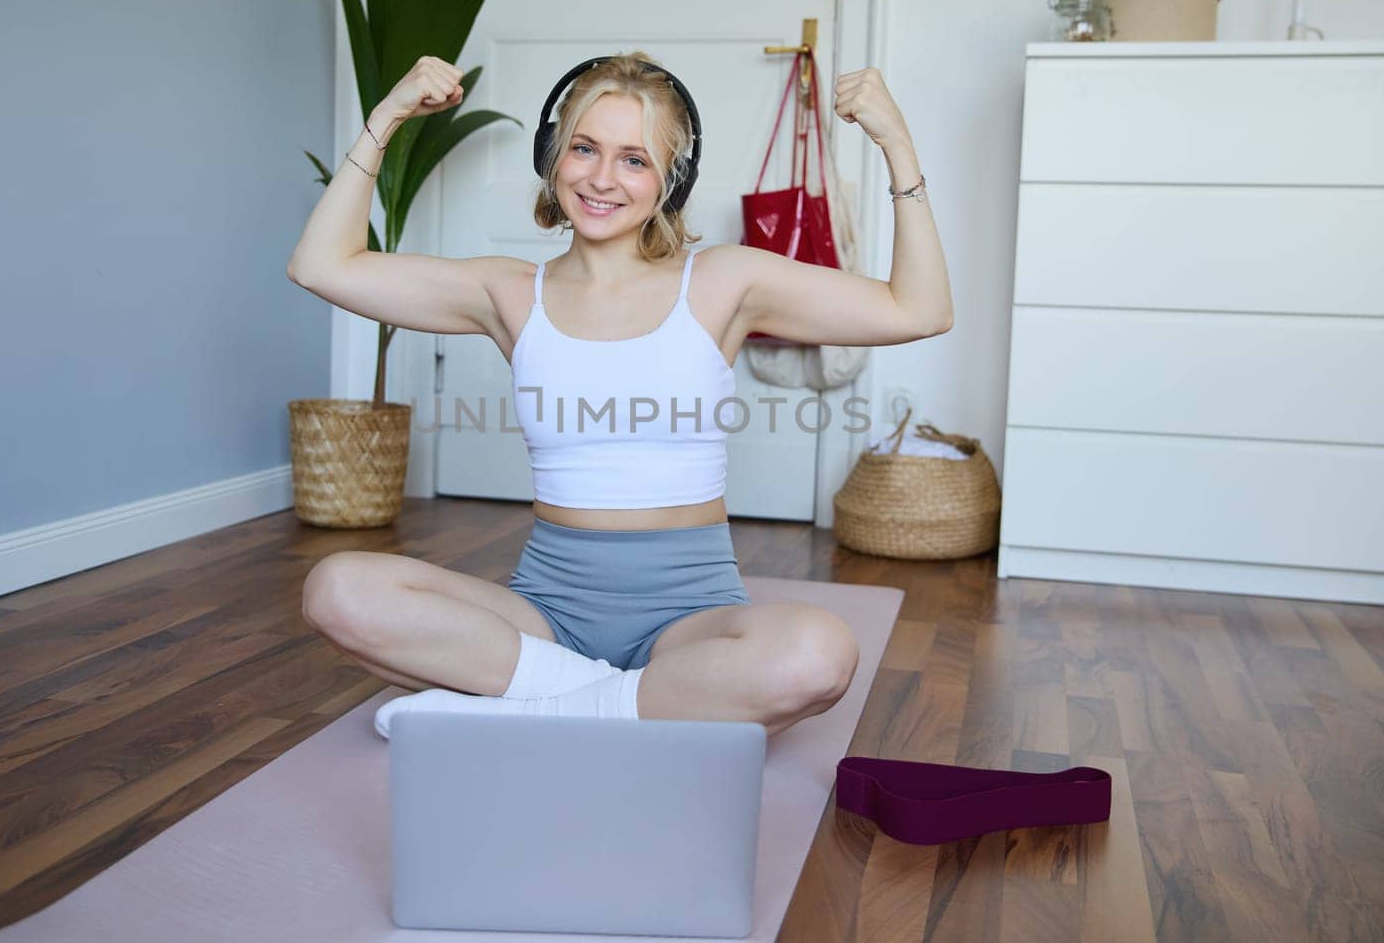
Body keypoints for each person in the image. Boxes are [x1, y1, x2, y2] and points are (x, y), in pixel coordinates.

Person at [286, 52, 952, 740]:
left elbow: (919, 309)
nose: (601, 178)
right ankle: (618, 702)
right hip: (544, 616)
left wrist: (896, 143)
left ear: (672, 180)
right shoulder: (510, 293)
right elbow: (320, 265)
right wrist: (387, 116)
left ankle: (548, 705)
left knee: (820, 654)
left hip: (689, 621)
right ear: (553, 156)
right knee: (336, 589)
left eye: (634, 159)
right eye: (584, 148)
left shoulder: (723, 282)